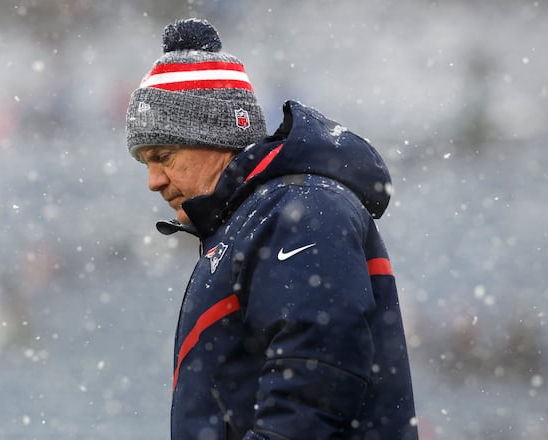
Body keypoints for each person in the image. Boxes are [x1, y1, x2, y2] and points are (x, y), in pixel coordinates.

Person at [125, 18, 418, 440]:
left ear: (216, 135)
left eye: (164, 155)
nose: (153, 180)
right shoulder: (252, 221)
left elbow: (317, 378)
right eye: (145, 162)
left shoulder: (302, 210)